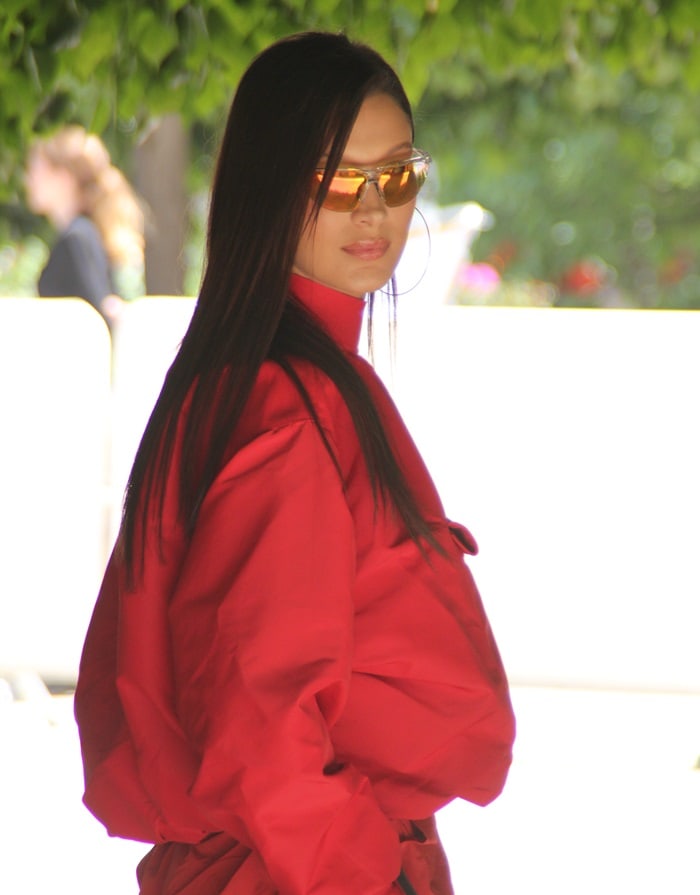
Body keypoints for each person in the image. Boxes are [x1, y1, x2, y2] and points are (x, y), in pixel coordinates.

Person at [74, 31, 516, 895]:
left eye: (396, 177)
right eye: (336, 180)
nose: (374, 210)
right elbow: (260, 721)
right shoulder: (280, 401)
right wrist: (363, 872)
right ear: (271, 188)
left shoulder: (302, 379)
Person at [24, 125, 143, 328]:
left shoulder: (76, 239)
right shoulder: (84, 234)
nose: (28, 179)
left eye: (35, 169)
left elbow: (98, 321)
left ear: (63, 176)